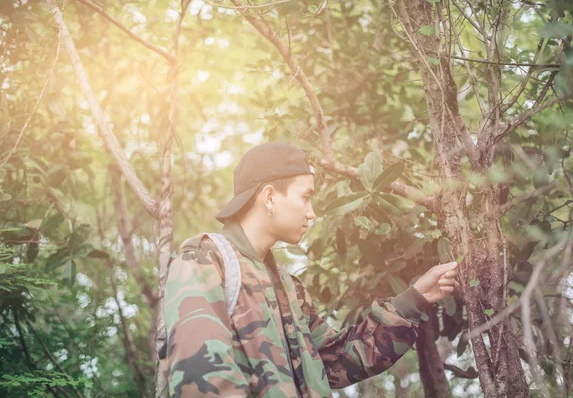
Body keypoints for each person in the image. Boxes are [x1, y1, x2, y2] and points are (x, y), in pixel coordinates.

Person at [162, 142, 459, 397]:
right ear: (268, 197)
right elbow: (201, 379)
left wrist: (415, 299)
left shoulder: (288, 287)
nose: (312, 212)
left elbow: (336, 361)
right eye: (305, 196)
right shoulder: (204, 259)